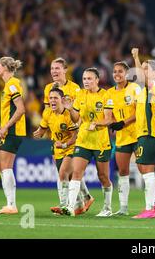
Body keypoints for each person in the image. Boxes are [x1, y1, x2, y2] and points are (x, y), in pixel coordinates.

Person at [42, 58, 94, 213]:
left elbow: (78, 112)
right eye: (52, 68)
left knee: (64, 172)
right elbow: (48, 112)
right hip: (57, 136)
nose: (54, 71)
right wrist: (44, 128)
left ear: (65, 70)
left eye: (57, 68)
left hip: (73, 134)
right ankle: (84, 198)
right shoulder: (48, 88)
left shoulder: (75, 89)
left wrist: (77, 129)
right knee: (67, 173)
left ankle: (65, 204)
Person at [62, 68, 114, 217]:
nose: (86, 81)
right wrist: (70, 109)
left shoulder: (106, 95)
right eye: (84, 79)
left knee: (103, 176)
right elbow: (75, 118)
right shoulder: (80, 95)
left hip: (101, 143)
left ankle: (107, 208)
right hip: (83, 140)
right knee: (76, 172)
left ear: (97, 80)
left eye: (90, 79)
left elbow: (109, 119)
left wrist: (97, 123)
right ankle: (70, 207)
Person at [33, 87, 81, 214]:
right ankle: (81, 202)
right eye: (50, 98)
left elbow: (75, 136)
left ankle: (64, 205)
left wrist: (65, 145)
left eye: (55, 98)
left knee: (62, 174)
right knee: (68, 177)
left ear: (62, 100)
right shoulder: (47, 113)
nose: (52, 100)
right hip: (58, 149)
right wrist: (39, 133)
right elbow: (43, 127)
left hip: (71, 147)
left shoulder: (68, 115)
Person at [0, 57, 26, 214]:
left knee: (6, 167)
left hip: (13, 131)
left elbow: (20, 109)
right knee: (2, 166)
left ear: (4, 67)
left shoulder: (12, 84)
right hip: (8, 130)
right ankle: (9, 204)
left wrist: (6, 128)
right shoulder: (8, 86)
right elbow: (9, 112)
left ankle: (11, 205)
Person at [131, 48, 155, 219]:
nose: (142, 71)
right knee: (144, 169)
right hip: (144, 134)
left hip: (149, 134)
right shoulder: (146, 90)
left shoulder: (153, 87)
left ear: (154, 72)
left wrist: (136, 57)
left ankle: (149, 208)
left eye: (146, 68)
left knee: (147, 171)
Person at [104, 61, 141, 215]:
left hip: (139, 135)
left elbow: (139, 112)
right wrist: (112, 123)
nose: (117, 74)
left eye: (120, 71)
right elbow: (108, 115)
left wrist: (122, 123)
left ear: (126, 73)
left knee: (145, 170)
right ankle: (123, 208)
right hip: (122, 137)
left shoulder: (135, 88)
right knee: (123, 171)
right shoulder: (109, 93)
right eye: (114, 71)